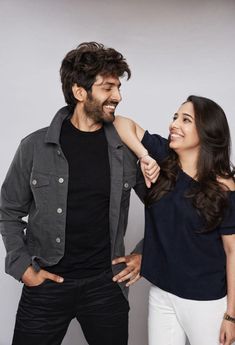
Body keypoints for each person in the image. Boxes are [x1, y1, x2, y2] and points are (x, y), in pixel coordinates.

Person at [0, 42, 159, 345]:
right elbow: (7, 210)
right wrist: (23, 268)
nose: (118, 97)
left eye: (119, 88)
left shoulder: (125, 150)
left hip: (105, 286)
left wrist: (143, 253)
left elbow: (163, 207)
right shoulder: (34, 148)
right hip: (44, 286)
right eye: (108, 88)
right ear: (79, 92)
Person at [114, 95, 235, 345]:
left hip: (206, 301)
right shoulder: (162, 156)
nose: (174, 124)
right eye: (175, 117)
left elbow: (233, 251)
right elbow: (119, 123)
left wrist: (231, 315)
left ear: (207, 131)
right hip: (162, 294)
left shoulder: (224, 187)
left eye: (186, 119)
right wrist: (143, 155)